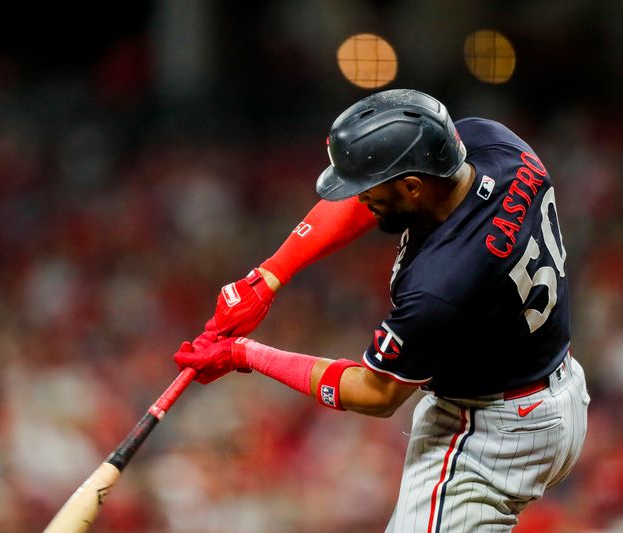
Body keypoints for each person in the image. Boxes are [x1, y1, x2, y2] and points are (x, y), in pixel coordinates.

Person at [173, 88, 590, 531]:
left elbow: (375, 394)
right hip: (555, 390)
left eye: (368, 189)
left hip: (492, 434)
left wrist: (247, 354)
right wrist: (270, 276)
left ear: (412, 186)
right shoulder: (498, 147)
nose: (359, 197)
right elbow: (381, 189)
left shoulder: (441, 284)